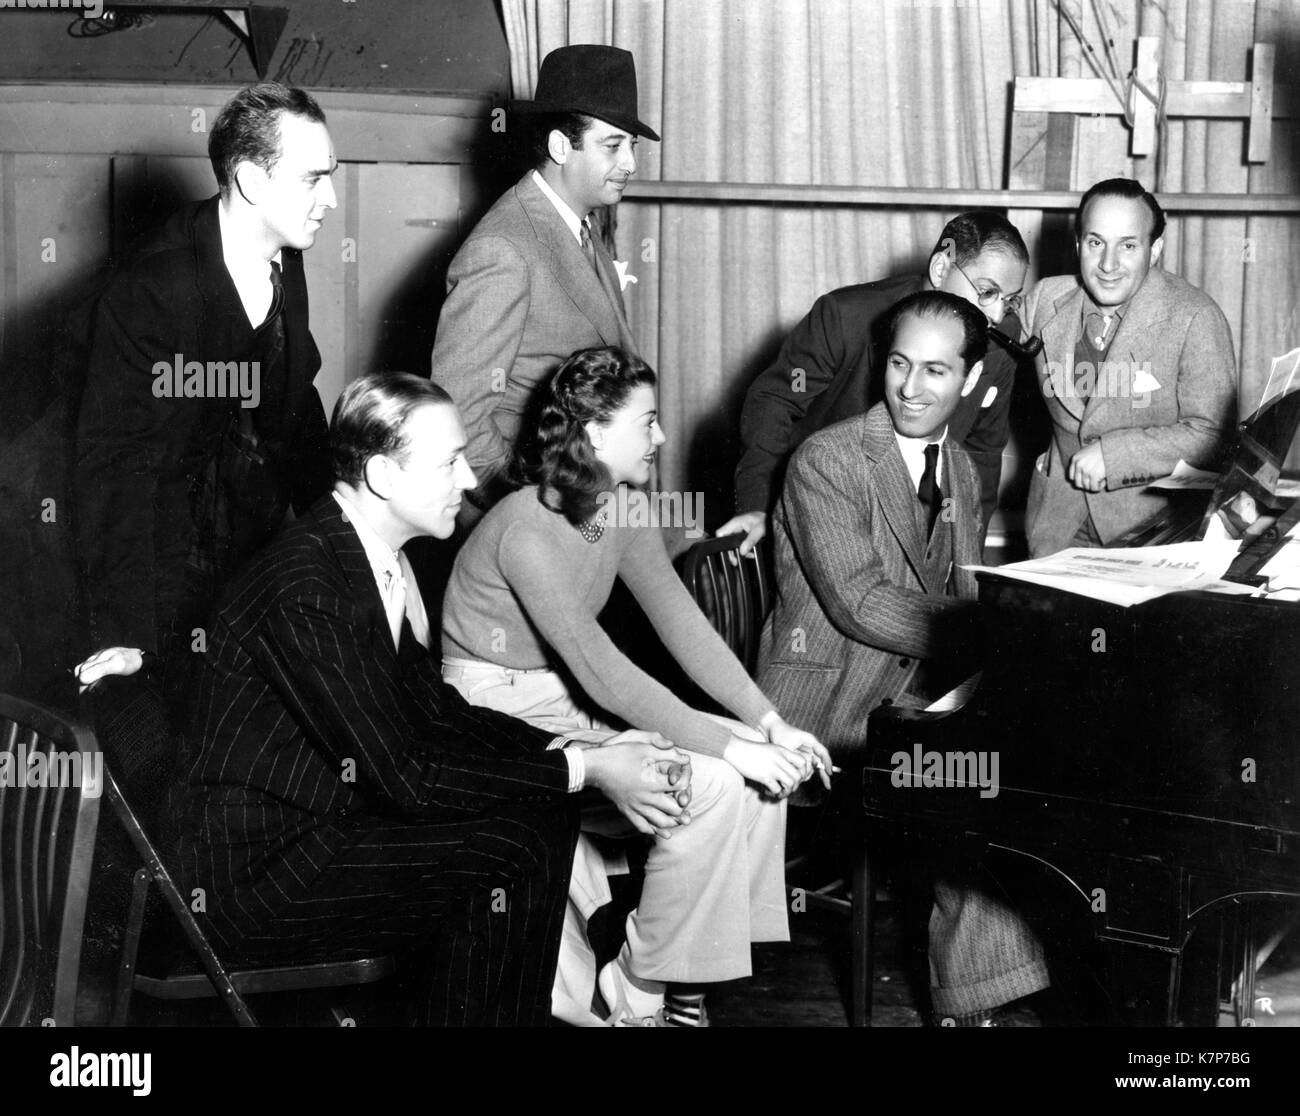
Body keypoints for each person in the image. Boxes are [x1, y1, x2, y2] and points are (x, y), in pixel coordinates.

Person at [168, 372, 691, 1026]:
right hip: (254, 878)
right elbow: (404, 778)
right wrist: (589, 770)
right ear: (384, 475)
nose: (470, 481)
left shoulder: (372, 556)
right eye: (449, 461)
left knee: (541, 815)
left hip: (321, 831)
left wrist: (588, 747)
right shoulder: (310, 583)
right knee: (512, 847)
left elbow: (439, 714)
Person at [441, 345, 832, 1026]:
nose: (659, 436)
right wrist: (730, 748)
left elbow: (682, 623)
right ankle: (639, 985)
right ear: (594, 433)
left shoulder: (619, 506)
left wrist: (767, 723)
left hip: (557, 693)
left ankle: (682, 977)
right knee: (711, 776)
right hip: (487, 709)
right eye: (646, 421)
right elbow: (601, 668)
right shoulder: (523, 527)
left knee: (766, 768)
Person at [758, 290, 1050, 1026]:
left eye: (935, 372)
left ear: (971, 383)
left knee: (1031, 760)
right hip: (829, 710)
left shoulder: (958, 467)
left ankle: (988, 988)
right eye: (897, 365)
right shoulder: (827, 458)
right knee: (980, 784)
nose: (911, 389)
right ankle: (971, 1004)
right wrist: (993, 638)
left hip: (909, 697)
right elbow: (860, 601)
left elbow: (958, 588)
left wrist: (1012, 636)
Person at [73, 83, 339, 798]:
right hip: (145, 561)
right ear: (251, 179)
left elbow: (292, 395)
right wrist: (128, 634)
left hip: (234, 552)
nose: (330, 200)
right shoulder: (151, 286)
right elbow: (113, 468)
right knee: (166, 787)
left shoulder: (289, 253)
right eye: (315, 178)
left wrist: (346, 521)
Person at [429, 45, 657, 527]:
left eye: (632, 145)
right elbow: (459, 412)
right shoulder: (504, 249)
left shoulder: (579, 225)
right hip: (535, 518)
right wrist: (529, 508)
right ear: (559, 148)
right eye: (613, 146)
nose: (631, 163)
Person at [722, 212, 1031, 552]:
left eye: (1010, 300)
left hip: (918, 531)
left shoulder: (1000, 340)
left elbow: (982, 450)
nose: (998, 315)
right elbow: (775, 402)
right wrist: (759, 504)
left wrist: (967, 553)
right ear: (941, 268)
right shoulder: (846, 317)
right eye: (987, 292)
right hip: (825, 516)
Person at [1023, 177, 1237, 556]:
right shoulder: (1045, 299)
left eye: (1128, 245)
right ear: (1078, 244)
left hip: (1152, 534)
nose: (1108, 264)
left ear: (1154, 250)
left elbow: (1214, 435)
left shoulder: (1195, 317)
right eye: (1095, 243)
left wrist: (1116, 455)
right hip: (1055, 528)